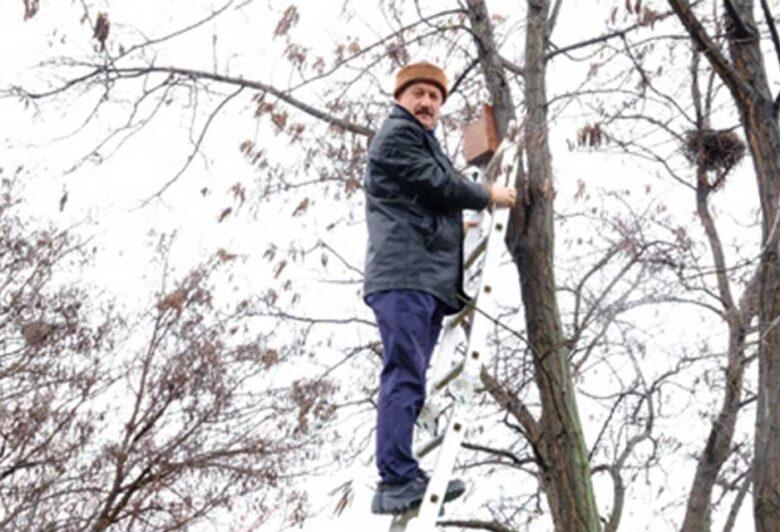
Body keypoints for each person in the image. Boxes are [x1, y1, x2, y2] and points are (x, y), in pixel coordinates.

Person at [362, 61, 516, 515]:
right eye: (418, 95)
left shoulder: (422, 141)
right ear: (399, 100)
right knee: (404, 374)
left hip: (420, 279)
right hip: (405, 276)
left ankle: (401, 472)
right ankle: (395, 477)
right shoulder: (398, 136)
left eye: (434, 97)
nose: (427, 103)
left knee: (410, 375)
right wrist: (488, 195)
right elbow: (437, 184)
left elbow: (438, 193)